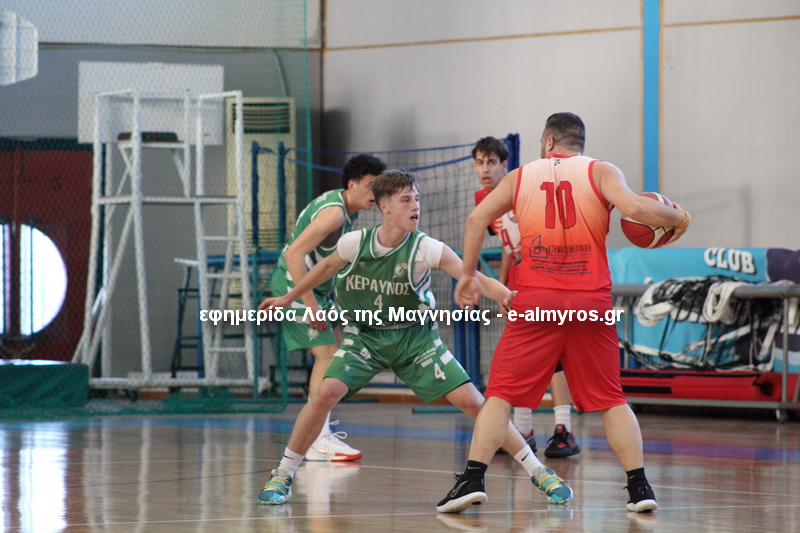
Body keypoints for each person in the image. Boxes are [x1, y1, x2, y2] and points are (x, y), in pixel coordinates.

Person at [257, 170, 571, 508]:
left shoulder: (425, 248)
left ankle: (539, 471)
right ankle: (283, 473)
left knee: (476, 404)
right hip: (366, 339)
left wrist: (506, 295)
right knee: (323, 394)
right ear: (385, 207)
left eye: (417, 199)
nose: (415, 206)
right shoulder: (354, 243)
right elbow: (323, 269)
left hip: (416, 342)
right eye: (406, 200)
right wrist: (289, 297)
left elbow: (474, 277)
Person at [438, 112, 690, 514]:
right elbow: (634, 208)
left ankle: (472, 479)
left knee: (500, 395)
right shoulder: (601, 171)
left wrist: (468, 275)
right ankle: (640, 487)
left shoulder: (520, 176)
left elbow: (476, 219)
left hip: (536, 301)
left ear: (549, 142)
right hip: (590, 301)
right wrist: (679, 217)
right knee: (611, 399)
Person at [269, 153, 386, 462]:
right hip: (294, 287)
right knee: (327, 357)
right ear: (352, 185)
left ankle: (321, 434)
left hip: (316, 291)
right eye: (371, 185)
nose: (376, 193)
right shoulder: (334, 214)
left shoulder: (347, 210)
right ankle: (318, 440)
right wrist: (310, 305)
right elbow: (294, 254)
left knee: (337, 357)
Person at [472, 136, 580, 458]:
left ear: (505, 165)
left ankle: (564, 429)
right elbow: (509, 247)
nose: (485, 169)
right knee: (522, 355)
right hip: (521, 281)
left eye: (492, 163)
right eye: (479, 162)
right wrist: (503, 285)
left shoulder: (523, 188)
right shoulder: (482, 199)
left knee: (555, 356)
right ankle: (523, 430)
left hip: (548, 276)